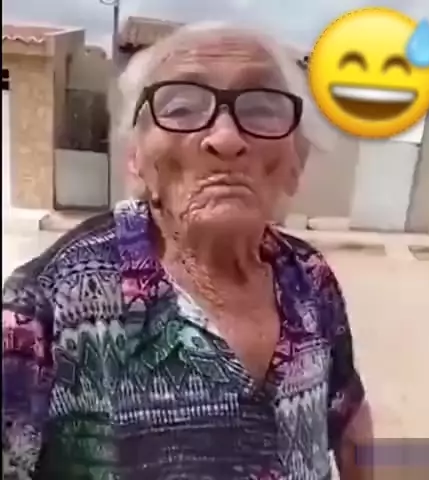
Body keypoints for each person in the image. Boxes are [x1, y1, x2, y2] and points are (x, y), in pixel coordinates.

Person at [2, 23, 373, 480]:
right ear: (136, 159)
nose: (226, 139)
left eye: (261, 109)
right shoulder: (46, 303)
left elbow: (347, 413)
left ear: (297, 162)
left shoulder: (310, 278)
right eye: (180, 108)